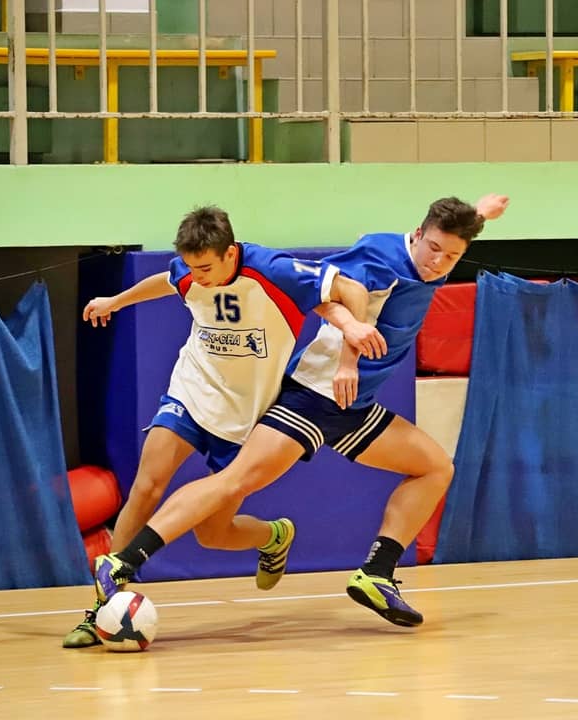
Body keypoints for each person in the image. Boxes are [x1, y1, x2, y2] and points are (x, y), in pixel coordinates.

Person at [91, 193, 509, 628]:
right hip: (313, 395)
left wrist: (481, 214)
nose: (439, 262)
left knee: (435, 467)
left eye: (451, 256)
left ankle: (376, 573)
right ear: (418, 234)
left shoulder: (435, 255)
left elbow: (450, 238)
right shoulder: (380, 256)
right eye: (434, 249)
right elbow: (348, 295)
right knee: (231, 482)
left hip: (352, 405)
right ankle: (124, 562)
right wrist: (347, 362)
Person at [64, 205, 385, 647]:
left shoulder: (272, 269)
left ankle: (274, 535)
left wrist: (349, 344)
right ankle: (104, 605)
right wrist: (115, 302)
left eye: (205, 269)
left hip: (245, 415)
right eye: (191, 268)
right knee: (147, 486)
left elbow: (352, 290)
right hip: (193, 390)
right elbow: (167, 280)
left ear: (230, 253)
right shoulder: (190, 270)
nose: (196, 278)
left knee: (213, 534)